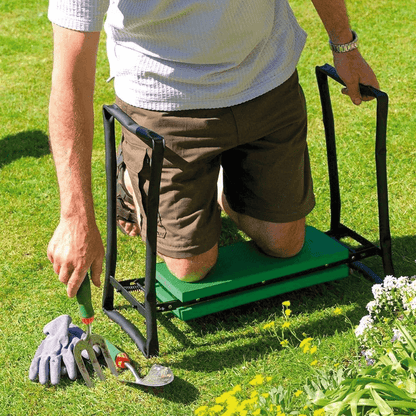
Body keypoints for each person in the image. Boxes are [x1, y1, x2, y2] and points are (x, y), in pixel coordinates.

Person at [46, 0, 379, 298]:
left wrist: (345, 47)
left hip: (266, 79)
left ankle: (215, 176)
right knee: (190, 266)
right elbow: (70, 77)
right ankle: (131, 179)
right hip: (164, 103)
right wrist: (75, 217)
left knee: (285, 243)